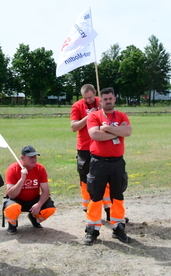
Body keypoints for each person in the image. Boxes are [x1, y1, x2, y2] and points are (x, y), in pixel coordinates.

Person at [83, 87, 132, 245]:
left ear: (115, 99)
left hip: (117, 162)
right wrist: (118, 132)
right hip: (99, 162)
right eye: (105, 99)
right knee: (95, 196)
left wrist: (108, 129)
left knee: (117, 196)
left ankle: (118, 227)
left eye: (111, 98)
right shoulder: (94, 116)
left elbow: (128, 131)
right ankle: (92, 229)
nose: (108, 101)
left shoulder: (122, 115)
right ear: (101, 100)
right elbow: (94, 135)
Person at [70, 84, 111, 218]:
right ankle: (88, 208)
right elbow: (74, 127)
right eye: (85, 98)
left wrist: (101, 113)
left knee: (104, 178)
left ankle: (109, 209)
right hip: (84, 148)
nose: (88, 100)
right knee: (86, 179)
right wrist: (89, 116)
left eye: (90, 97)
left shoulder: (102, 102)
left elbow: (112, 120)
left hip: (101, 146)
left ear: (95, 93)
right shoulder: (77, 106)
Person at [3, 145, 56, 234]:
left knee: (50, 209)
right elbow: (11, 195)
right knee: (12, 208)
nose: (34, 159)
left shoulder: (40, 168)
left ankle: (34, 218)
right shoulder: (13, 169)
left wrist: (39, 204)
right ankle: (12, 223)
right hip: (17, 200)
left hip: (33, 200)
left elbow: (46, 191)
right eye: (31, 157)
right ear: (22, 158)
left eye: (35, 156)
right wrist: (22, 179)